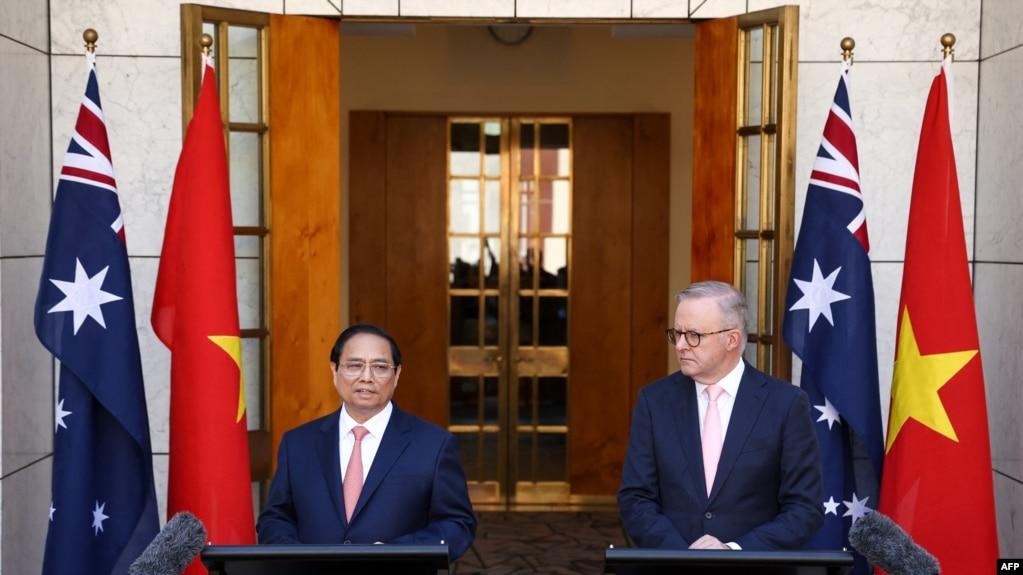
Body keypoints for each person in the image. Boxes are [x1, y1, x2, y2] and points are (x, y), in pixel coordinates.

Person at [618, 281, 823, 550]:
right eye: (676, 333)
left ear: (732, 339)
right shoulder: (654, 401)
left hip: (754, 571)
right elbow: (635, 497)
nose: (680, 345)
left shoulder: (785, 404)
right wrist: (683, 556)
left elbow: (805, 508)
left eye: (694, 335)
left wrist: (733, 551)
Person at [257, 324, 477, 559]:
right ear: (334, 371)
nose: (366, 377)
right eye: (354, 366)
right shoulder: (298, 443)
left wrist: (397, 554)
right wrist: (299, 558)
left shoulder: (434, 445)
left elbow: (457, 523)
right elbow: (275, 518)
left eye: (380, 367)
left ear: (397, 375)